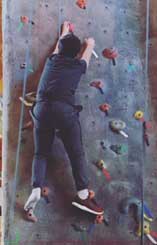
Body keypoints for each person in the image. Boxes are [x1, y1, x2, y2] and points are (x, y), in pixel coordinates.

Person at [24, 21, 104, 217]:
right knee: (76, 153)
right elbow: (87, 52)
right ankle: (83, 195)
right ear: (76, 54)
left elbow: (58, 47)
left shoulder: (52, 61)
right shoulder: (78, 65)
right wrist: (90, 43)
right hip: (63, 111)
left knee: (41, 153)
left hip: (42, 109)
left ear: (59, 49)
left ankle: (36, 188)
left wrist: (64, 31)